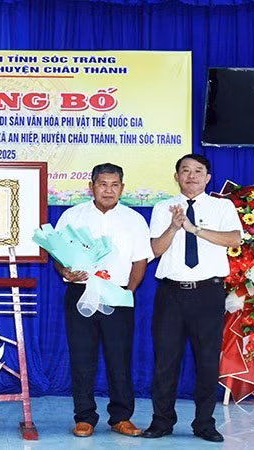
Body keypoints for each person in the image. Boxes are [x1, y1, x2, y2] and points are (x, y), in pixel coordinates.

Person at [142, 154, 242, 443]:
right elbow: (155, 250)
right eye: (185, 170)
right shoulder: (163, 207)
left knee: (208, 361)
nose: (191, 175)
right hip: (171, 293)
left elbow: (235, 239)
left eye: (198, 171)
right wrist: (174, 227)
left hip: (208, 293)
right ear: (176, 176)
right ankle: (161, 422)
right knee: (165, 361)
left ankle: (204, 424)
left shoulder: (222, 206)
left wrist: (194, 229)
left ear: (208, 177)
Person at [55, 163, 153, 438]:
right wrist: (64, 270)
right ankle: (84, 417)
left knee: (119, 358)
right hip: (80, 292)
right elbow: (58, 252)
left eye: (114, 185)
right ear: (91, 186)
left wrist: (129, 291)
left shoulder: (133, 219)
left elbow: (140, 260)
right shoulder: (72, 216)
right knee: (82, 356)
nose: (108, 190)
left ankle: (121, 417)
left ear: (122, 187)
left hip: (117, 293)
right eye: (102, 184)